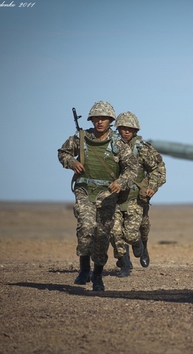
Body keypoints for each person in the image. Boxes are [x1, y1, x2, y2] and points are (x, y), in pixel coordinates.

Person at [58, 101, 138, 291]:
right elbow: (63, 153)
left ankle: (97, 275)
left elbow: (132, 168)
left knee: (102, 236)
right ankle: (84, 269)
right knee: (85, 228)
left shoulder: (118, 144)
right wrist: (71, 162)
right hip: (85, 190)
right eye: (96, 118)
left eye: (104, 119)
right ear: (91, 119)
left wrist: (120, 183)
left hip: (108, 195)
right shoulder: (81, 138)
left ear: (110, 121)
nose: (100, 122)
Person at [110, 111, 166, 277]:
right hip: (113, 198)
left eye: (130, 129)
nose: (126, 132)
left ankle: (142, 244)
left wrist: (152, 186)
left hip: (135, 198)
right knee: (114, 232)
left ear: (135, 131)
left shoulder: (143, 149)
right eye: (123, 128)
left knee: (132, 233)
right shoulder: (109, 147)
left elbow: (158, 169)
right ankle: (125, 264)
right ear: (117, 129)